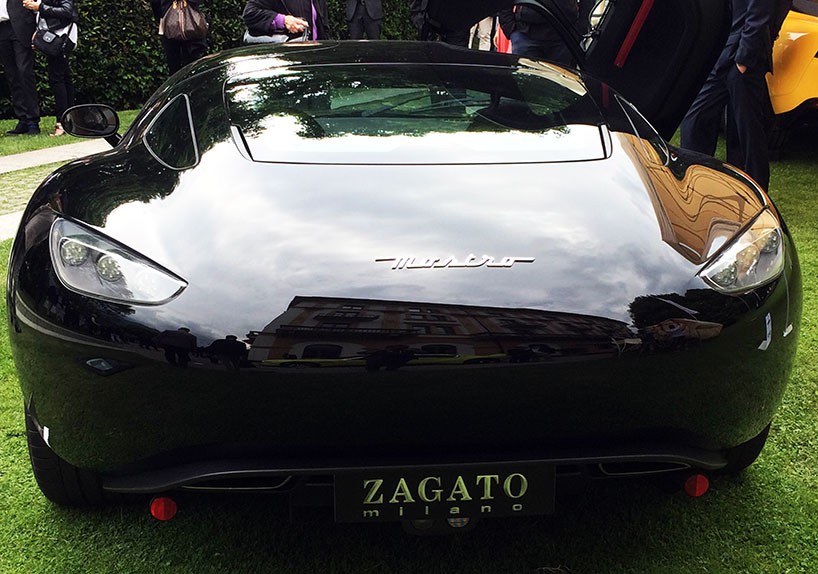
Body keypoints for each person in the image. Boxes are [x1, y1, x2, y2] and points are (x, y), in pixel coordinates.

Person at [679, 0, 792, 192]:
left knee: (747, 133)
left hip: (743, 58)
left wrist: (744, 58)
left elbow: (761, 12)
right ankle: (696, 182)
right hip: (726, 53)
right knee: (697, 120)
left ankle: (755, 194)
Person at [22, 0, 77, 137]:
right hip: (54, 35)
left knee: (57, 79)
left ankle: (62, 122)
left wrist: (39, 7)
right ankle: (70, 121)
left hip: (60, 36)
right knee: (64, 78)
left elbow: (67, 11)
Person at [0, 0, 40, 135]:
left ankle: (32, 120)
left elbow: (35, 5)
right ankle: (22, 118)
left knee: (24, 72)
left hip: (20, 26)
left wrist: (37, 29)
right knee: (11, 75)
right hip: (2, 28)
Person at [497, 0, 577, 66]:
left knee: (560, 79)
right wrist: (510, 28)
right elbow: (503, 4)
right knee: (525, 78)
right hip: (525, 35)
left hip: (563, 35)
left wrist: (578, 30)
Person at [150, 0, 208, 75]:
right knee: (195, 67)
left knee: (175, 68)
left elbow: (155, 4)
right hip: (193, 28)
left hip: (170, 27)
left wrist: (162, 16)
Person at [243, 0, 330, 41]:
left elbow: (323, 29)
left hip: (315, 60)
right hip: (287, 61)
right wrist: (284, 20)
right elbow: (250, 13)